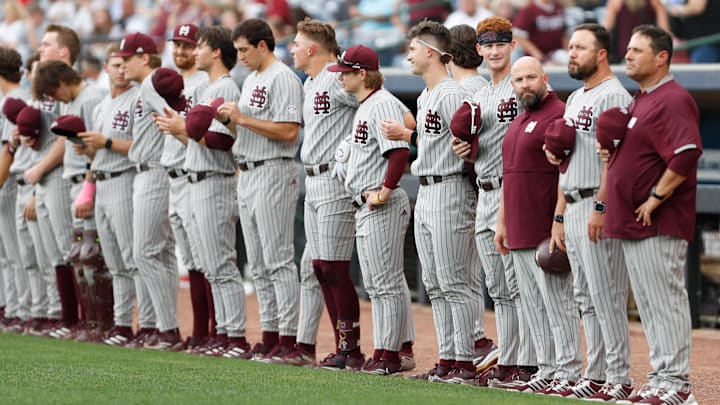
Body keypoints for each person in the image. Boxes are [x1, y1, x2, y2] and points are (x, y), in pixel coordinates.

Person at [603, 24, 700, 405]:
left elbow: (687, 152)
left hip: (657, 221)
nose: (627, 55)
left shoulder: (672, 98)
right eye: (627, 49)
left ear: (661, 57)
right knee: (649, 307)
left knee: (666, 303)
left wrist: (657, 196)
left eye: (637, 50)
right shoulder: (641, 99)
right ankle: (662, 378)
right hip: (633, 223)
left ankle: (677, 385)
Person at [543, 23, 634, 400]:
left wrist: (601, 206)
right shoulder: (578, 97)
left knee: (606, 295)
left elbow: (615, 161)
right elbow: (567, 162)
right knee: (585, 295)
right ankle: (596, 374)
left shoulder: (614, 96)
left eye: (580, 47)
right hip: (574, 202)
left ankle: (619, 378)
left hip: (599, 206)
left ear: (600, 54)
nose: (572, 53)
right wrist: (559, 215)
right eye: (570, 47)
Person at [156, 25, 250, 359]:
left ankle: (235, 336)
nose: (194, 51)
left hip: (215, 180)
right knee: (209, 266)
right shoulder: (209, 87)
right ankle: (221, 333)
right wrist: (180, 130)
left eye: (200, 46)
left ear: (215, 52)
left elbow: (224, 141)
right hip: (197, 178)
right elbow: (199, 140)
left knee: (221, 265)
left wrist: (185, 128)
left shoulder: (226, 86)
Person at [391, 19, 478, 383]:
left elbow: (472, 143)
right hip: (427, 189)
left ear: (430, 51)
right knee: (436, 282)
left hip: (450, 187)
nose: (408, 54)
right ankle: (448, 358)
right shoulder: (427, 95)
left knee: (455, 280)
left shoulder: (452, 92)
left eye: (413, 49)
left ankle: (466, 361)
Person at [452, 16, 535, 388]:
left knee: (519, 285)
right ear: (479, 50)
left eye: (501, 44)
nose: (495, 50)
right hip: (484, 189)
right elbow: (477, 150)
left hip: (513, 189)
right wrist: (466, 151)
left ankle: (528, 363)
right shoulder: (481, 95)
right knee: (499, 288)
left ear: (511, 46)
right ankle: (510, 358)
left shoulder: (521, 87)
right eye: (488, 45)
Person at [327, 44, 414, 375]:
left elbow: (399, 152)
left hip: (380, 204)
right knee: (377, 284)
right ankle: (384, 351)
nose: (341, 79)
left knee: (385, 283)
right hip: (363, 202)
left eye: (345, 73)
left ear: (362, 74)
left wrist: (386, 190)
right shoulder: (366, 104)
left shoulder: (382, 103)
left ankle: (388, 354)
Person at [221, 18, 303, 360]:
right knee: (256, 263)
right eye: (237, 50)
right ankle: (270, 334)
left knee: (278, 259)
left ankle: (289, 337)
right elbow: (250, 129)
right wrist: (229, 121)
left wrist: (241, 119)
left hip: (274, 169)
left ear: (262, 45)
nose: (239, 56)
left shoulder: (282, 76)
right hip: (249, 170)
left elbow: (288, 133)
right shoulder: (251, 78)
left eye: (243, 49)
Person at [286, 18, 361, 368]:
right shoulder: (312, 81)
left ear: (312, 48)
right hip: (312, 178)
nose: (293, 50)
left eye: (297, 44)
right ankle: (341, 346)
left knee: (332, 268)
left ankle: (351, 348)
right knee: (319, 267)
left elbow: (369, 100)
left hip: (334, 177)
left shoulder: (335, 77)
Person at [494, 56, 571, 395]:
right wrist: (502, 222)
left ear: (545, 78)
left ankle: (567, 370)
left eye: (530, 78)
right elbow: (509, 176)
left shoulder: (558, 113)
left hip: (544, 225)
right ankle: (547, 366)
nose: (524, 84)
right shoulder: (520, 118)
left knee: (557, 302)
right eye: (518, 79)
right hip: (519, 225)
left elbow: (565, 173)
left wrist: (559, 218)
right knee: (532, 304)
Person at [114, 31, 183, 351]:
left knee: (145, 252)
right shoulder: (149, 83)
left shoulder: (151, 81)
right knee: (161, 254)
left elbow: (175, 117)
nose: (122, 64)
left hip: (153, 171)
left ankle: (166, 329)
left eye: (127, 58)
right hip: (152, 171)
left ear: (144, 57)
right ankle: (158, 325)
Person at [32, 58, 106, 341]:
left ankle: (100, 323)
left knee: (91, 256)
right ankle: (88, 323)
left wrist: (89, 186)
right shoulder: (71, 101)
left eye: (53, 92)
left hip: (89, 181)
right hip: (73, 180)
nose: (54, 98)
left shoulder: (90, 98)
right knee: (78, 256)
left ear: (62, 82)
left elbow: (96, 147)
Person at [73, 43, 136, 343]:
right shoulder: (100, 106)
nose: (121, 69)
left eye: (126, 63)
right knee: (112, 262)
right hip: (101, 180)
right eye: (116, 64)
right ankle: (121, 326)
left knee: (130, 258)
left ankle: (145, 325)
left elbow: (143, 147)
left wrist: (105, 143)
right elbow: (95, 154)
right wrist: (87, 149)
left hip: (126, 179)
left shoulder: (137, 99)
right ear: (106, 68)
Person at [447, 22, 499, 375]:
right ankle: (473, 345)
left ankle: (478, 343)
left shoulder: (467, 87)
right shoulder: (480, 85)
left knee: (463, 277)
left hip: (471, 191)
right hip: (480, 189)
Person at [161, 23, 216, 352]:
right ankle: (198, 333)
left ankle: (214, 332)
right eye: (177, 44)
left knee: (205, 259)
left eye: (187, 45)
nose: (181, 51)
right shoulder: (170, 82)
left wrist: (177, 128)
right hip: (174, 175)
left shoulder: (204, 83)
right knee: (192, 260)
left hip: (195, 173)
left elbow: (200, 138)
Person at [0, 47, 32, 334]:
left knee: (15, 252)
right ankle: (11, 307)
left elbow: (8, 150)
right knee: (6, 254)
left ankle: (21, 309)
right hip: (7, 181)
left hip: (9, 183)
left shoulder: (14, 101)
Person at [602, 0, 671, 63]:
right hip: (648, 49)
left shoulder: (615, 2)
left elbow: (607, 27)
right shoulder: (654, 2)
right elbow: (665, 30)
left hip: (625, 49)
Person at [512, 0, 569, 65]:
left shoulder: (558, 7)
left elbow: (564, 34)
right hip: (537, 57)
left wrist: (567, 51)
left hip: (556, 53)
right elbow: (518, 35)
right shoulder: (529, 10)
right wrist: (536, 54)